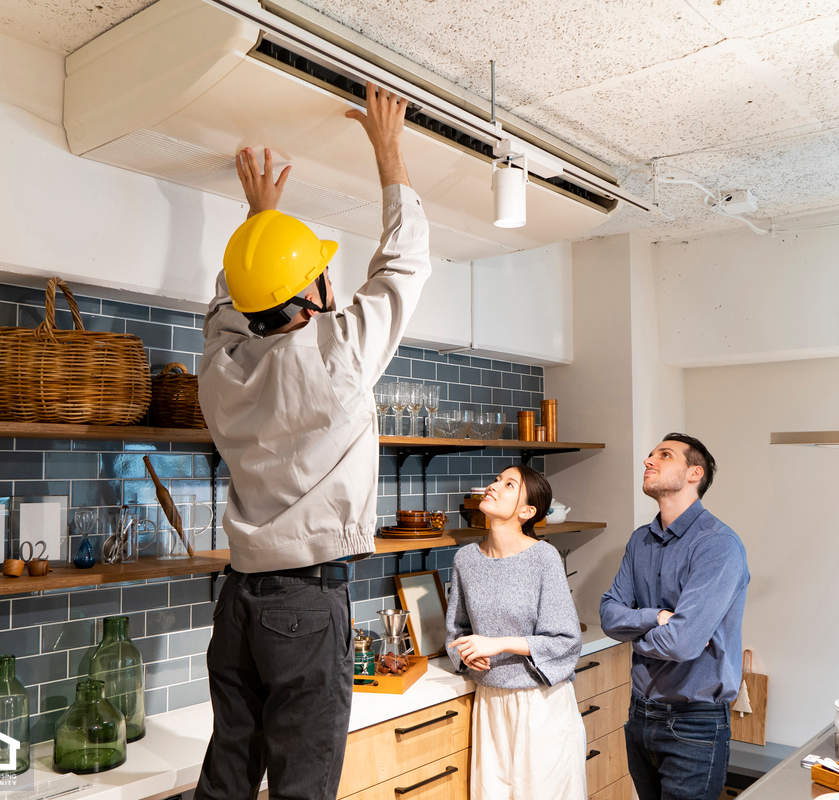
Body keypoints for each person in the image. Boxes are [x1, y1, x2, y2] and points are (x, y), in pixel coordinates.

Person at [193, 82, 431, 800]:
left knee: (228, 775)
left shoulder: (219, 369)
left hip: (237, 603)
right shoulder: (340, 353)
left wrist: (262, 228)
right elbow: (403, 265)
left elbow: (230, 300)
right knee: (304, 787)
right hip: (305, 604)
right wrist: (388, 151)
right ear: (314, 293)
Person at [600, 433, 749, 800]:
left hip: (694, 723)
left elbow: (681, 643)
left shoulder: (717, 544)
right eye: (650, 455)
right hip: (639, 715)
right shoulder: (640, 541)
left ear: (694, 473)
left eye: (664, 455)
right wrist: (656, 617)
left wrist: (635, 628)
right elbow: (608, 613)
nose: (649, 461)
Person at [446, 464, 587, 800]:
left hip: (541, 705)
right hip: (490, 705)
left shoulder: (544, 558)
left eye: (509, 484)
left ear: (526, 511)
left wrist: (495, 645)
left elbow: (566, 641)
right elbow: (456, 632)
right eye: (496, 479)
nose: (494, 486)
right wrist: (466, 655)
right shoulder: (465, 559)